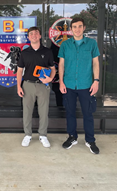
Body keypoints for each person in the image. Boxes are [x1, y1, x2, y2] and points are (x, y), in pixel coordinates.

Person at [58, 17, 100, 154]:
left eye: (79, 26)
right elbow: (61, 64)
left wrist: (96, 81)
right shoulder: (65, 45)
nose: (77, 29)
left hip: (86, 85)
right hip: (69, 85)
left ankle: (90, 140)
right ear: (71, 29)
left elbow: (96, 63)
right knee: (70, 113)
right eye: (74, 27)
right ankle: (72, 137)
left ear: (84, 28)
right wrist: (61, 82)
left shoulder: (92, 44)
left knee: (88, 114)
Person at [17, 27, 56, 148]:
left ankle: (43, 135)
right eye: (31, 34)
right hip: (28, 85)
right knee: (27, 111)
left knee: (43, 112)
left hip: (43, 86)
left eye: (36, 33)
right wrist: (19, 86)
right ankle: (27, 135)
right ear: (28, 37)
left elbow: (53, 69)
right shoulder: (24, 53)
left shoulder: (47, 52)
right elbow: (19, 71)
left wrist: (50, 79)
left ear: (40, 36)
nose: (34, 35)